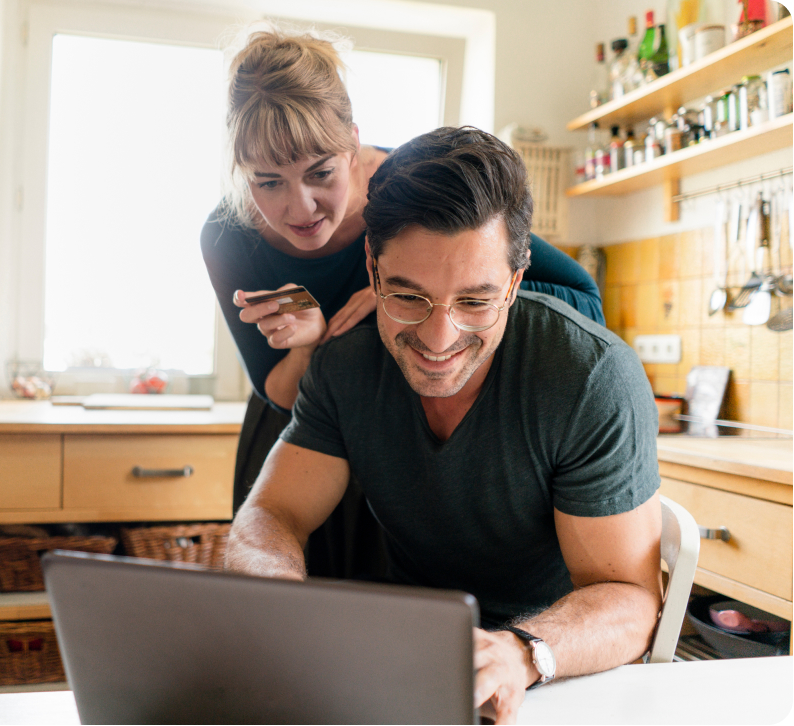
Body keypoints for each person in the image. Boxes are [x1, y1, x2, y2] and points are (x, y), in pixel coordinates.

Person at [223, 126, 664, 724]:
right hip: (407, 661)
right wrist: (274, 595)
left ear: (514, 282)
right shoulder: (345, 365)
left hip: (560, 671)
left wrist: (521, 654)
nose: (439, 339)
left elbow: (634, 601)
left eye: (476, 302)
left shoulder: (589, 376)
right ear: (374, 275)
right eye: (408, 297)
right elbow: (272, 513)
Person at [201, 26, 605, 579]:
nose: (301, 207)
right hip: (299, 436)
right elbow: (277, 391)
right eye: (268, 182)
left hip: (400, 428)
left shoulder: (409, 190)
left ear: (355, 145)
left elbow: (582, 297)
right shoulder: (228, 236)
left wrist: (412, 291)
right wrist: (312, 343)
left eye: (320, 172)